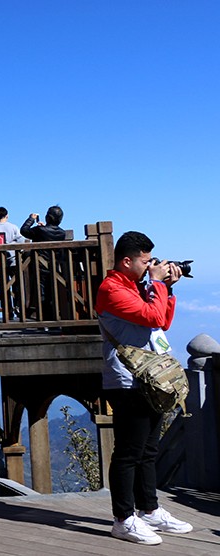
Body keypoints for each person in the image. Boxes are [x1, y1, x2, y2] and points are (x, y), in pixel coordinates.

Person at [97, 231, 191, 544]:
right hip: (126, 380)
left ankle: (149, 510)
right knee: (128, 452)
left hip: (151, 378)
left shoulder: (135, 285)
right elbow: (152, 315)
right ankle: (123, 519)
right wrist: (158, 283)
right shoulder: (111, 289)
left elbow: (162, 322)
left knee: (149, 450)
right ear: (127, 261)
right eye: (145, 261)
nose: (150, 265)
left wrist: (167, 288)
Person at [21, 205, 68, 318]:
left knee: (40, 291)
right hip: (54, 265)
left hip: (40, 265)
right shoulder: (62, 233)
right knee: (52, 291)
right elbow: (49, 234)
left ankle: (41, 316)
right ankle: (53, 316)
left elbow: (24, 231)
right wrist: (44, 227)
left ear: (48, 217)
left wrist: (31, 219)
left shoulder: (40, 230)